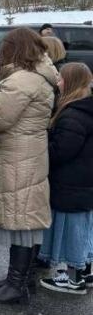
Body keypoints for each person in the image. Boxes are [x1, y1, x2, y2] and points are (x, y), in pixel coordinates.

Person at [0, 27, 58, 305]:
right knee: (25, 214)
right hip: (29, 152)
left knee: (22, 217)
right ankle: (21, 279)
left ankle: (17, 284)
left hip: (18, 155)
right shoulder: (37, 76)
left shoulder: (22, 80)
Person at [38, 63, 93, 294]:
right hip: (83, 183)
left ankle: (74, 279)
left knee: (72, 232)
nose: (57, 82)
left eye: (60, 78)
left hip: (70, 184)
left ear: (70, 82)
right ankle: (84, 272)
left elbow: (61, 150)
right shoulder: (85, 109)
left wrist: (43, 145)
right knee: (83, 230)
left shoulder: (73, 114)